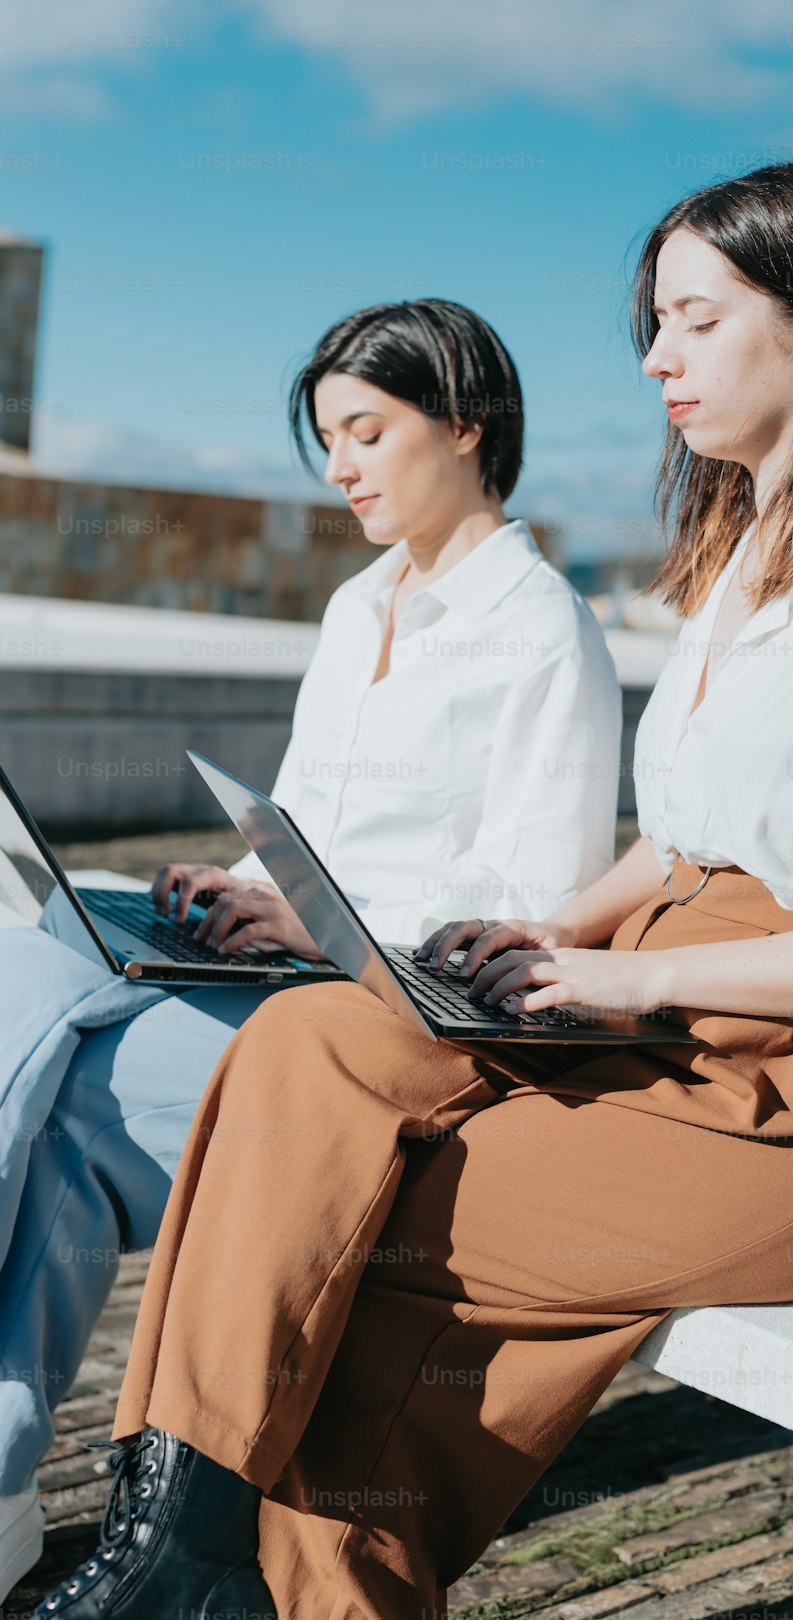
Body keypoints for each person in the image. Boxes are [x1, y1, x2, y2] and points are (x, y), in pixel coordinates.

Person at [30, 159, 793, 1620]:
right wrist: (568, 925)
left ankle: (270, 1580)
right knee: (312, 1045)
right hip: (665, 1010)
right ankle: (174, 1545)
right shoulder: (741, 565)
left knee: (369, 1217)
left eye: (692, 320)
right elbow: (690, 838)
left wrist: (635, 973)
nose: (653, 358)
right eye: (656, 324)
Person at [0, 298, 623, 1605]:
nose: (339, 465)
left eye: (365, 430)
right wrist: (226, 888)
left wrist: (322, 924)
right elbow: (304, 834)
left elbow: (526, 917)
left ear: (466, 424)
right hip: (293, 974)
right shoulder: (357, 606)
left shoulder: (542, 630)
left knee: (74, 1096)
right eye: (327, 436)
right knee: (44, 943)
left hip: (392, 1030)